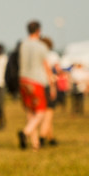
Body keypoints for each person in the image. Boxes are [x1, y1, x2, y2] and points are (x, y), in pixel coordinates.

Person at [17, 21, 54, 150]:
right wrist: (52, 84)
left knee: (30, 112)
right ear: (38, 30)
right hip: (37, 81)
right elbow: (46, 66)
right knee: (40, 112)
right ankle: (25, 132)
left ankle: (35, 143)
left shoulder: (22, 45)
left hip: (23, 80)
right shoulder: (41, 46)